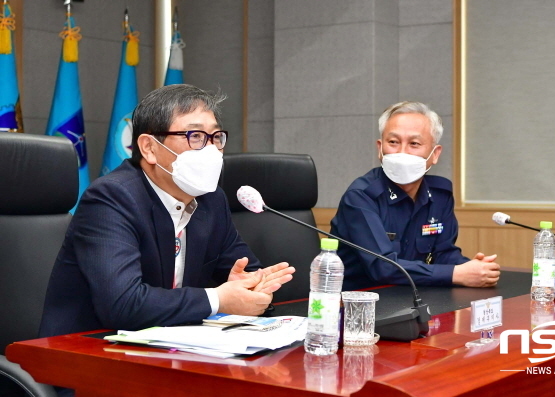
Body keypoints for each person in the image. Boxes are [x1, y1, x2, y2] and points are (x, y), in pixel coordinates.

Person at [39, 84, 295, 339]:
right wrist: (218, 299)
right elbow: (123, 304)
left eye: (216, 137)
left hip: (176, 346)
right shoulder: (111, 198)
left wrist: (254, 289)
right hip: (87, 352)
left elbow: (247, 272)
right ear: (149, 148)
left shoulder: (211, 199)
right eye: (195, 136)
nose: (211, 150)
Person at [330, 101, 500, 290]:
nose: (402, 152)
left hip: (415, 295)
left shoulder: (440, 195)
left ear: (435, 154)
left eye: (414, 144)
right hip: (358, 301)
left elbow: (442, 253)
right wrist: (456, 274)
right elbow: (383, 267)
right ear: (380, 148)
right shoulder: (361, 197)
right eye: (393, 142)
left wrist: (473, 268)